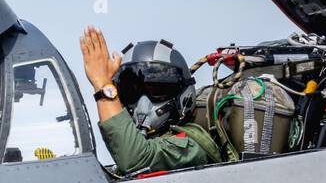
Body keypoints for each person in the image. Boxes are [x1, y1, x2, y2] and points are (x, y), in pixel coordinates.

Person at [79, 26, 223, 175]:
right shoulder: (141, 145)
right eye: (132, 91)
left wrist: (103, 85)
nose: (143, 102)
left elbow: (135, 159)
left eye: (156, 89)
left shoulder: (192, 146)